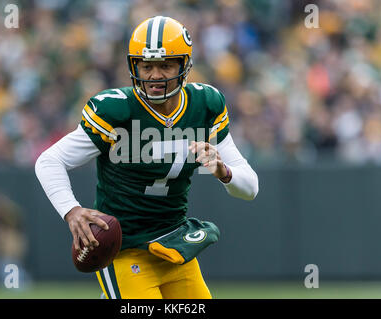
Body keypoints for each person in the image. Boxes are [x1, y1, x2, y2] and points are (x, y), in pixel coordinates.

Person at [35, 16, 259, 299]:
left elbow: (250, 187)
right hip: (125, 249)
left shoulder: (205, 104)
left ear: (184, 65)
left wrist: (223, 171)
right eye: (147, 65)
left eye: (165, 65)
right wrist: (72, 211)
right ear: (134, 66)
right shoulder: (116, 110)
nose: (154, 75)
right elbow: (49, 161)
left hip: (174, 246)